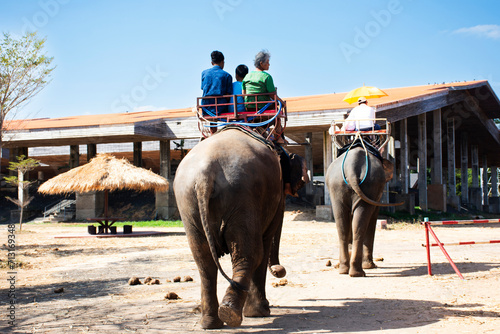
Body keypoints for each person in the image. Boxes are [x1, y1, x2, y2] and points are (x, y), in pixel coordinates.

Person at [201, 50, 233, 115]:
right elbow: (228, 95)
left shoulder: (204, 73)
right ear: (222, 62)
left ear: (212, 63)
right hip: (221, 108)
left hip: (206, 108)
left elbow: (203, 89)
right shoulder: (227, 76)